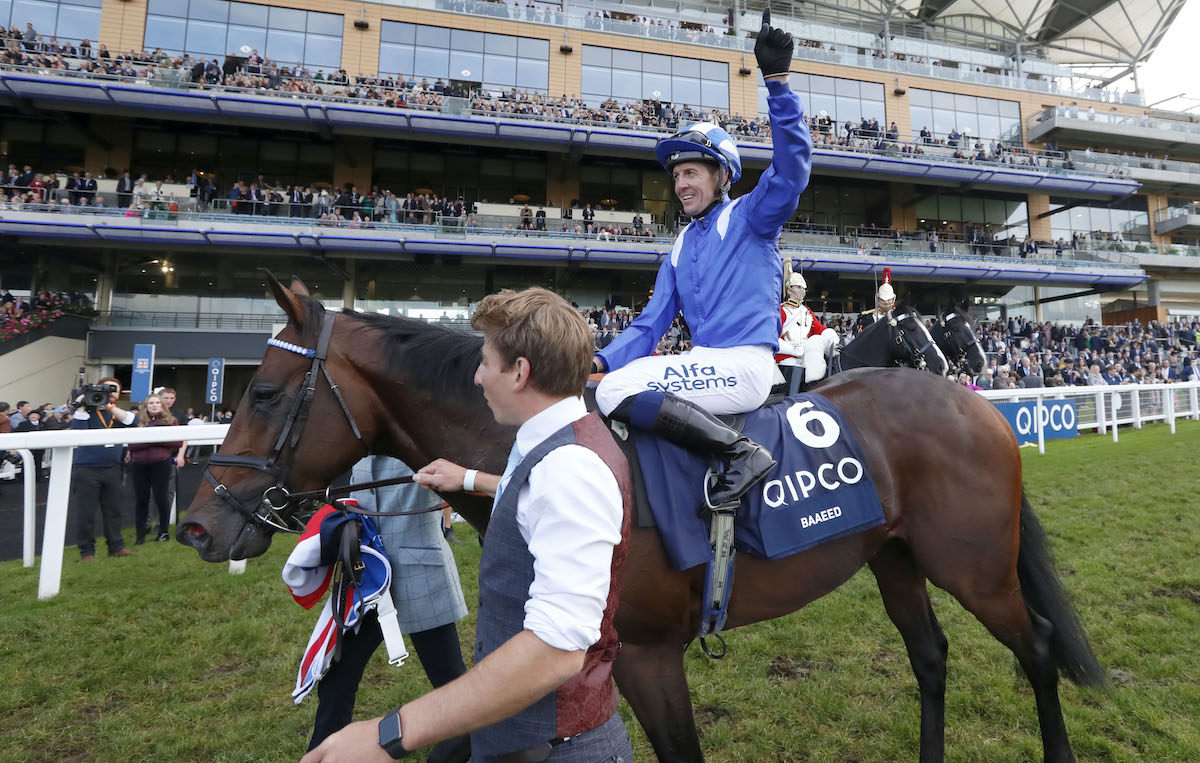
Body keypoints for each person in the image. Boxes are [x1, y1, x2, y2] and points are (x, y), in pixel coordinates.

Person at [303, 287, 633, 763]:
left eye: (484, 362)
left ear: (520, 372)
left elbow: (555, 651)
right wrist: (469, 478)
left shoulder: (568, 468)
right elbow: (534, 497)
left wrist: (389, 734)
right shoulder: (557, 446)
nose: (476, 378)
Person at [590, 8, 810, 513]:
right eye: (676, 176)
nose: (681, 184)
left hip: (746, 366)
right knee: (604, 383)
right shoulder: (680, 246)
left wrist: (777, 84)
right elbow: (649, 325)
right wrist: (599, 360)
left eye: (692, 172)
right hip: (705, 366)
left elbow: (793, 170)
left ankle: (743, 455)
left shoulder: (751, 216)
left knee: (616, 392)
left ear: (721, 176)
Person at [308, 456, 470, 763]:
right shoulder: (359, 446)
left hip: (422, 576)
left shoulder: (415, 435)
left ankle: (458, 751)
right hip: (367, 577)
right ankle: (320, 755)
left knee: (450, 684)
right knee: (336, 678)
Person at [70, 377, 138, 561]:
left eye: (114, 390)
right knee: (86, 513)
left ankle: (116, 547)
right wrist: (82, 405)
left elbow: (133, 421)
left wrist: (108, 405)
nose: (111, 393)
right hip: (87, 469)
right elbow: (76, 432)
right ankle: (87, 551)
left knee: (114, 510)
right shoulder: (87, 412)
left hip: (113, 468)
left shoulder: (115, 412)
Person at [125, 394, 182, 544]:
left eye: (157, 402)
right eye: (151, 403)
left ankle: (163, 532)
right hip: (139, 465)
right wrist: (159, 440)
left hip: (161, 464)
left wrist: (148, 439)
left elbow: (177, 443)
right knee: (141, 499)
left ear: (162, 405)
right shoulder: (138, 422)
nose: (154, 405)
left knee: (161, 497)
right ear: (146, 405)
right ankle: (140, 536)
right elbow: (132, 445)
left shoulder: (171, 422)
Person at [776, 270, 838, 389]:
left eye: (803, 288)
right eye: (798, 287)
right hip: (787, 357)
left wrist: (832, 338)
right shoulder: (781, 310)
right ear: (789, 290)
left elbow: (819, 329)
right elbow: (773, 337)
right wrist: (792, 350)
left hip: (806, 355)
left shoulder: (806, 311)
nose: (802, 290)